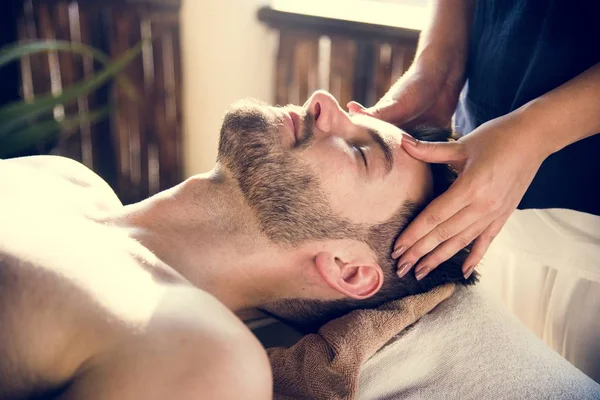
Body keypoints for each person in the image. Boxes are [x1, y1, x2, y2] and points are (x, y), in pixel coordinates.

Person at [0, 90, 472, 399]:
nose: (322, 101)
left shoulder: (208, 359)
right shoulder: (65, 178)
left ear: (347, 269)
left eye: (361, 151)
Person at [348, 0, 600, 281]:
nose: (323, 102)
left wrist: (536, 132)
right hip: (479, 204)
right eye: (359, 152)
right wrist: (437, 65)